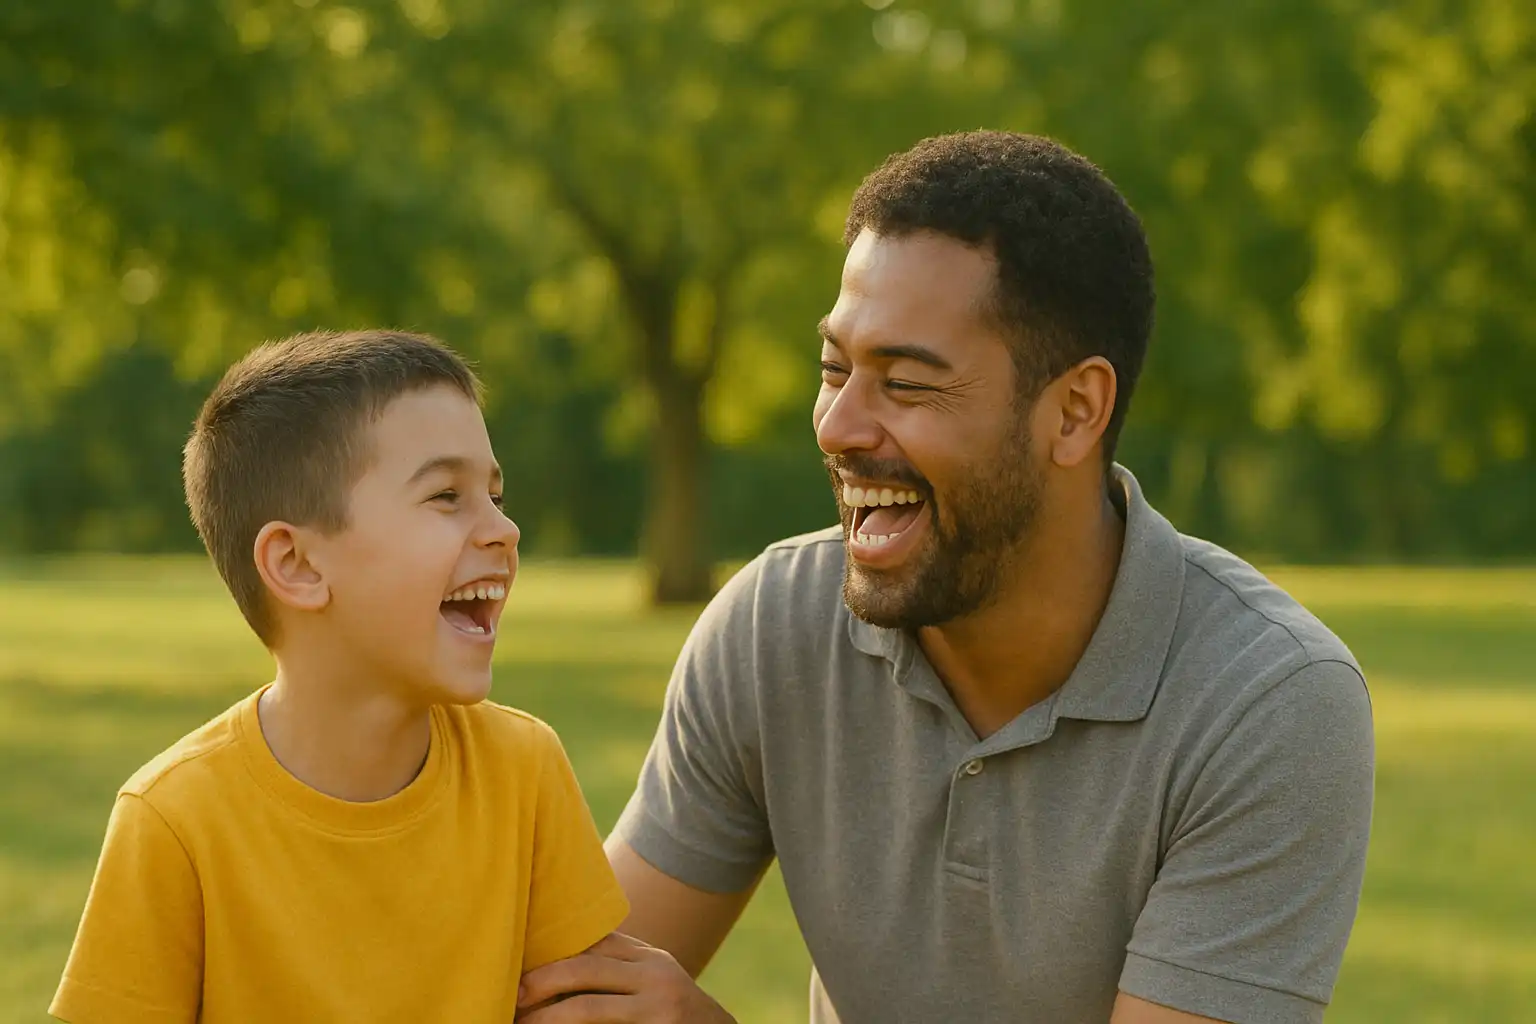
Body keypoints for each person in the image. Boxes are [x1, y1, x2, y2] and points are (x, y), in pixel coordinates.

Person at [516, 131, 1375, 1023]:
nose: (838, 426)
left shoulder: (1266, 702)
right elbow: (571, 990)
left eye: (906, 384)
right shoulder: (774, 627)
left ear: (1074, 411)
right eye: (835, 369)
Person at [50, 330, 628, 1023]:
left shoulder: (524, 771)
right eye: (447, 495)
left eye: (496, 496)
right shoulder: (173, 823)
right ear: (296, 565)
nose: (504, 530)